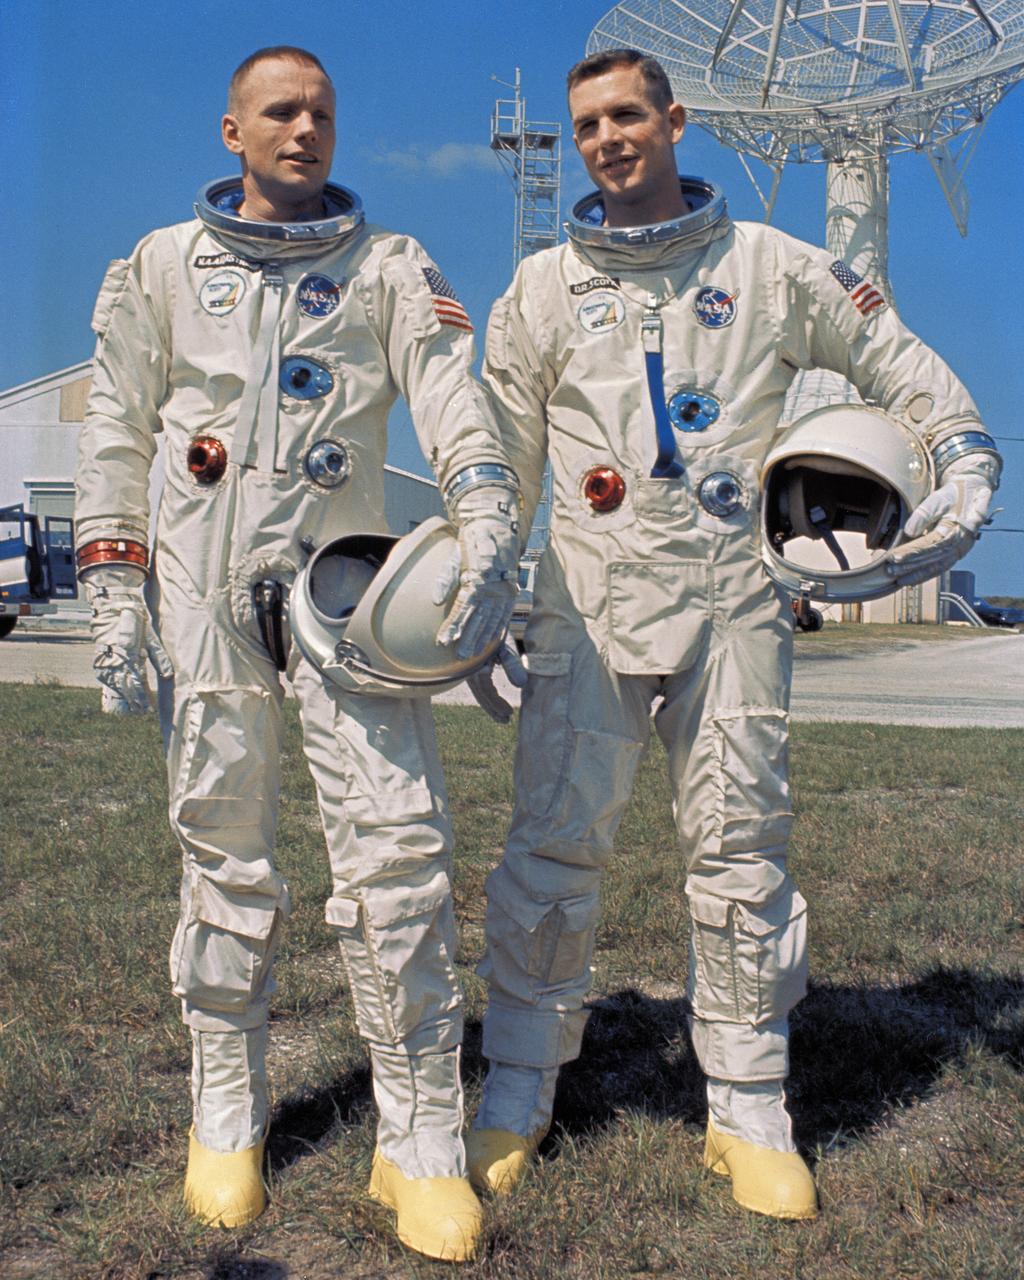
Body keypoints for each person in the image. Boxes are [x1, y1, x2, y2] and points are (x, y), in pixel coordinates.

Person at [466, 48, 1001, 1219]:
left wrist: (961, 453)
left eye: (627, 116)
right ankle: (516, 1086)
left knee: (740, 847)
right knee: (552, 849)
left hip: (730, 598)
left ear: (675, 119)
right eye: (587, 123)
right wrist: (482, 590)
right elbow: (494, 460)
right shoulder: (542, 290)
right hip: (583, 598)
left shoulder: (770, 270)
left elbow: (895, 361)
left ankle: (748, 1102)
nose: (607, 138)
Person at [74, 46, 522, 1262]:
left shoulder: (386, 267)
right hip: (208, 601)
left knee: (399, 861)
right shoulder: (162, 268)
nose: (304, 127)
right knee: (220, 846)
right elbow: (116, 426)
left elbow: (451, 390)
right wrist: (114, 581)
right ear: (232, 129)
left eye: (322, 111)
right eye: (280, 110)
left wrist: (484, 515)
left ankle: (417, 1137)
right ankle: (226, 1108)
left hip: (349, 602)